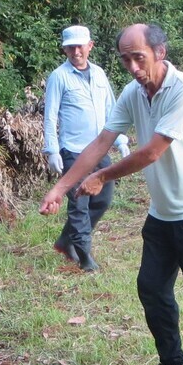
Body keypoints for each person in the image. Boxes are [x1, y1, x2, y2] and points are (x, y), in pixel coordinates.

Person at [40, 23, 183, 365]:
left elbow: (151, 151)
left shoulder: (182, 89)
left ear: (160, 52)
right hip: (162, 214)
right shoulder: (132, 93)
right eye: (126, 60)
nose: (133, 68)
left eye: (138, 58)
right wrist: (61, 187)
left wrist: (103, 178)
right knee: (152, 289)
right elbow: (100, 143)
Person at [43, 24, 129, 271]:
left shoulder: (100, 74)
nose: (75, 51)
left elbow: (111, 112)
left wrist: (121, 141)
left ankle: (66, 240)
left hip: (99, 150)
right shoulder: (59, 76)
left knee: (102, 199)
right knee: (79, 205)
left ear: (90, 46)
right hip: (73, 150)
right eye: (70, 47)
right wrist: (52, 150)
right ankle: (84, 255)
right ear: (65, 50)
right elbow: (50, 117)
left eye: (80, 46)